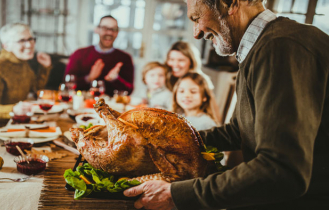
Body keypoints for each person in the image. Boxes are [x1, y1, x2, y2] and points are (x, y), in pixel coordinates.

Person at [123, 0, 329, 209]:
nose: (196, 33)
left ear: (230, 3)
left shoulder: (282, 46)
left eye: (196, 18)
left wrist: (177, 195)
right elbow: (237, 132)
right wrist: (162, 143)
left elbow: (281, 170)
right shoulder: (259, 47)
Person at [0, 23, 52, 150]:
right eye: (21, 40)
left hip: (11, 127)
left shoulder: (23, 63)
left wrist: (45, 67)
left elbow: (35, 88)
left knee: (46, 140)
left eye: (30, 39)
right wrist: (14, 109)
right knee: (29, 148)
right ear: (6, 45)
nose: (29, 44)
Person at [65, 15, 134, 96]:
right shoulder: (79, 54)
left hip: (111, 106)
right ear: (97, 30)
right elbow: (66, 85)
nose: (109, 32)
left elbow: (129, 90)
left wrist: (115, 79)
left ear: (117, 32)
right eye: (105, 28)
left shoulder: (125, 58)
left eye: (114, 29)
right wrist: (89, 78)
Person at [165, 41, 221, 123]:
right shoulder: (168, 77)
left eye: (181, 60)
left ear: (191, 62)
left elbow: (215, 117)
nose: (175, 64)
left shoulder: (201, 81)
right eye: (171, 59)